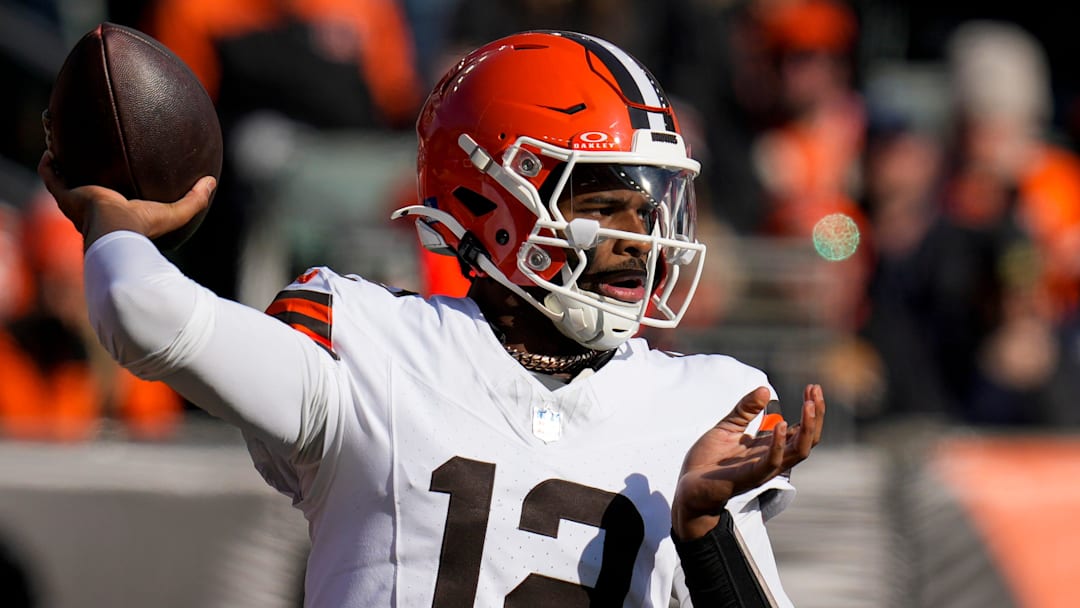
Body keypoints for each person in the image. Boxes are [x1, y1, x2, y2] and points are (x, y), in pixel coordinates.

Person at [40, 31, 825, 606]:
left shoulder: (702, 409)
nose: (640, 240)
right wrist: (116, 222)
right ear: (491, 201)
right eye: (602, 203)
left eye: (651, 209)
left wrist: (704, 534)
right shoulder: (372, 347)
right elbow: (147, 316)